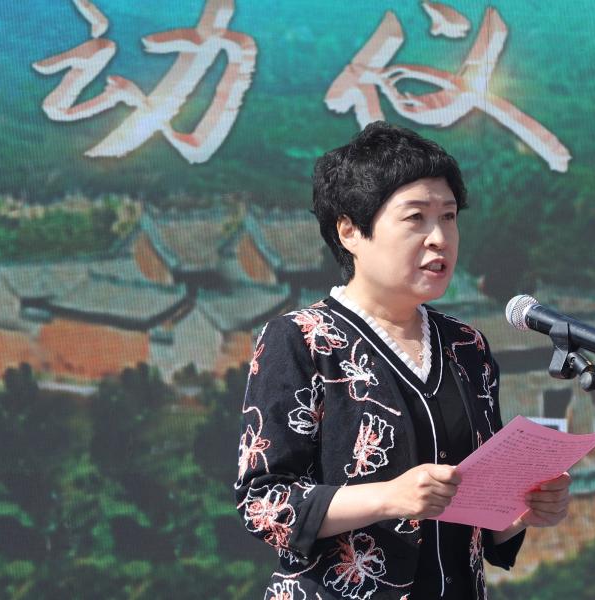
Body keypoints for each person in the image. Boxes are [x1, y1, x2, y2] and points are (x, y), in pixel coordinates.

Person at [234, 121, 572, 600]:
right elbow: (263, 503)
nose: (439, 238)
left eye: (449, 217)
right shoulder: (302, 340)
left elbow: (479, 509)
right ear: (350, 231)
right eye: (416, 217)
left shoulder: (466, 346)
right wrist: (389, 497)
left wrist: (522, 510)